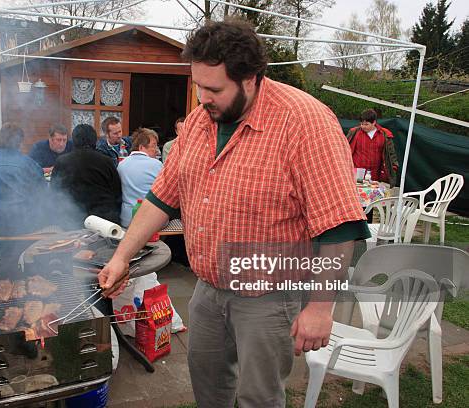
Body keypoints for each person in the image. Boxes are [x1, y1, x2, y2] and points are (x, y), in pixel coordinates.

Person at [98, 19, 369, 408]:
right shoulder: (197, 122)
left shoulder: (305, 122)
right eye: (198, 86)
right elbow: (161, 197)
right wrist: (121, 257)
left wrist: (321, 307)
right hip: (207, 289)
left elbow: (340, 226)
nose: (202, 98)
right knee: (209, 390)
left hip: (270, 297)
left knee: (259, 397)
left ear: (251, 79)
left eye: (213, 89)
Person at [0, 123, 47, 236]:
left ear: (0, 139)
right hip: (21, 223)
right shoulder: (28, 163)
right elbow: (42, 190)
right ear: (20, 141)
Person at [51, 124, 122, 226]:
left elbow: (54, 192)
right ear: (94, 140)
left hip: (72, 220)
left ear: (74, 141)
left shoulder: (62, 161)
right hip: (104, 220)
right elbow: (117, 193)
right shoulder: (106, 161)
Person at [117, 128, 163, 227]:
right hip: (152, 221)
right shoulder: (157, 164)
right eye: (154, 146)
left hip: (127, 219)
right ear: (141, 147)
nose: (157, 151)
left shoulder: (121, 164)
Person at [346, 108, 399, 186]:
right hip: (356, 175)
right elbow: (344, 149)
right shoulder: (354, 133)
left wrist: (393, 168)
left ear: (374, 122)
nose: (363, 126)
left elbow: (391, 155)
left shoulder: (385, 135)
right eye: (361, 124)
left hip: (375, 175)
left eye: (366, 124)